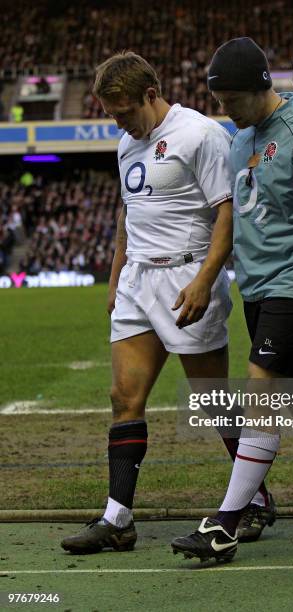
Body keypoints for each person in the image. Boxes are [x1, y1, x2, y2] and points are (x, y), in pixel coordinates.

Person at [171, 37, 293, 563]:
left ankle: (227, 524)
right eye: (218, 100)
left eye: (231, 99)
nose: (223, 109)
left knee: (262, 394)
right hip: (259, 288)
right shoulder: (240, 139)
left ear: (261, 87)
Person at [60, 50, 246, 553]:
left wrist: (207, 279)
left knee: (213, 401)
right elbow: (129, 216)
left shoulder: (201, 134)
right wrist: (116, 280)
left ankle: (254, 498)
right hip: (139, 283)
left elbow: (227, 214)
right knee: (124, 398)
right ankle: (117, 518)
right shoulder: (126, 144)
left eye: (124, 111)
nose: (119, 122)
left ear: (150, 94)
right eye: (111, 113)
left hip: (188, 276)